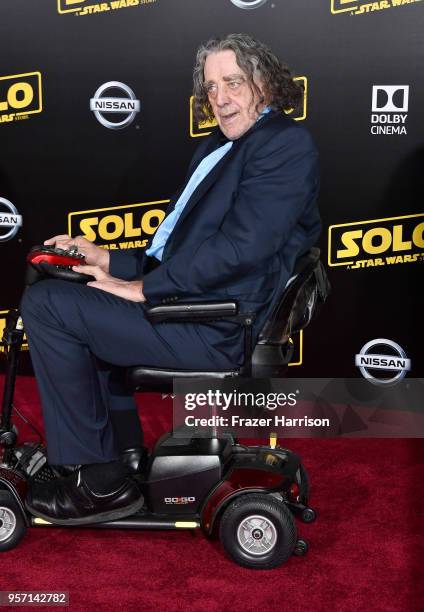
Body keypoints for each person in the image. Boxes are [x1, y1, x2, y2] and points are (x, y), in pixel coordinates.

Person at [20, 33, 321, 525]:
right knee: (69, 284)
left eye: (233, 83)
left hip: (216, 326)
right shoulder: (222, 145)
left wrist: (141, 290)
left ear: (263, 84)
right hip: (193, 306)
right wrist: (107, 261)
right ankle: (122, 459)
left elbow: (241, 250)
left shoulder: (284, 146)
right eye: (211, 87)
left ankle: (97, 484)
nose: (220, 98)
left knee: (48, 307)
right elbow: (181, 251)